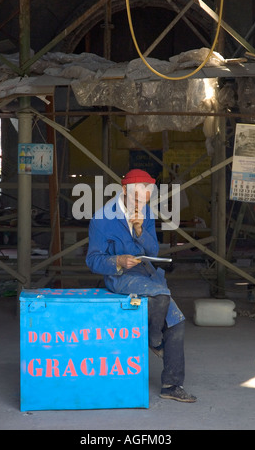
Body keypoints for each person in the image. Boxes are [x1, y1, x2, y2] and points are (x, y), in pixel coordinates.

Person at [86, 169, 196, 403]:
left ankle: (171, 385)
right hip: (121, 275)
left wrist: (139, 231)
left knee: (177, 321)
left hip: (147, 273)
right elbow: (93, 260)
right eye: (137, 198)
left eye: (144, 200)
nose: (140, 204)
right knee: (161, 294)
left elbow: (153, 251)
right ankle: (154, 339)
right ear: (124, 191)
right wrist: (117, 260)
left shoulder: (145, 213)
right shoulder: (102, 218)